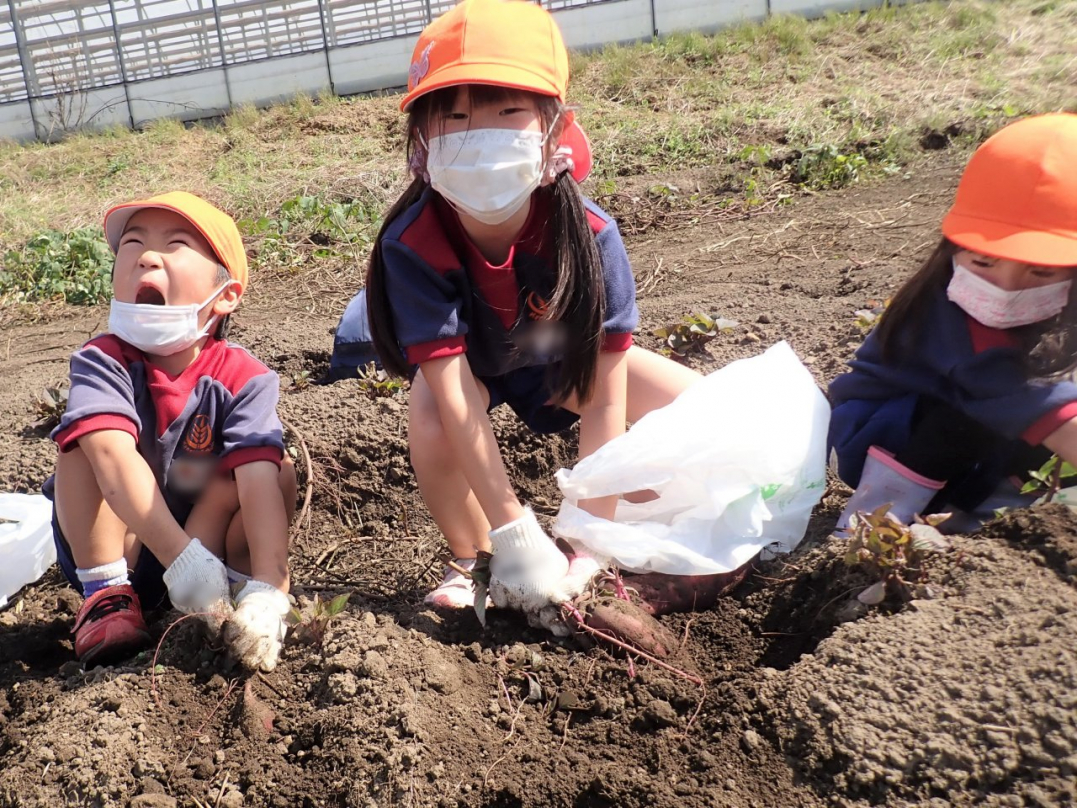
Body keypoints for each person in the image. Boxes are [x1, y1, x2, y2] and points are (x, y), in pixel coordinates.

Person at [353, 0, 700, 615]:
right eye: (453, 117)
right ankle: (474, 559)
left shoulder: (591, 237)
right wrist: (513, 529)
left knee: (696, 412)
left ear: (555, 127)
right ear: (420, 142)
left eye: (506, 109)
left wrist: (588, 544)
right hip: (473, 374)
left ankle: (604, 539)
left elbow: (604, 398)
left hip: (561, 368)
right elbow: (457, 396)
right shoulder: (412, 245)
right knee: (431, 418)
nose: (478, 133)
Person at [43, 191, 297, 670]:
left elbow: (260, 479)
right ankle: (107, 597)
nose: (147, 256)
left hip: (206, 546)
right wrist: (179, 559)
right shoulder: (102, 361)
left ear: (226, 295)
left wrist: (272, 588)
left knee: (272, 468)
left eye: (175, 243)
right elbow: (115, 458)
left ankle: (245, 594)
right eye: (132, 244)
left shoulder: (245, 377)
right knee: (84, 446)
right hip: (125, 548)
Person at [829, 113, 1077, 533]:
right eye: (983, 262)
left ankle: (994, 502)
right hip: (882, 434)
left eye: (1041, 272)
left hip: (982, 432)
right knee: (979, 415)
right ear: (953, 247)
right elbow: (1045, 408)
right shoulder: (950, 312)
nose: (1006, 287)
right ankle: (875, 522)